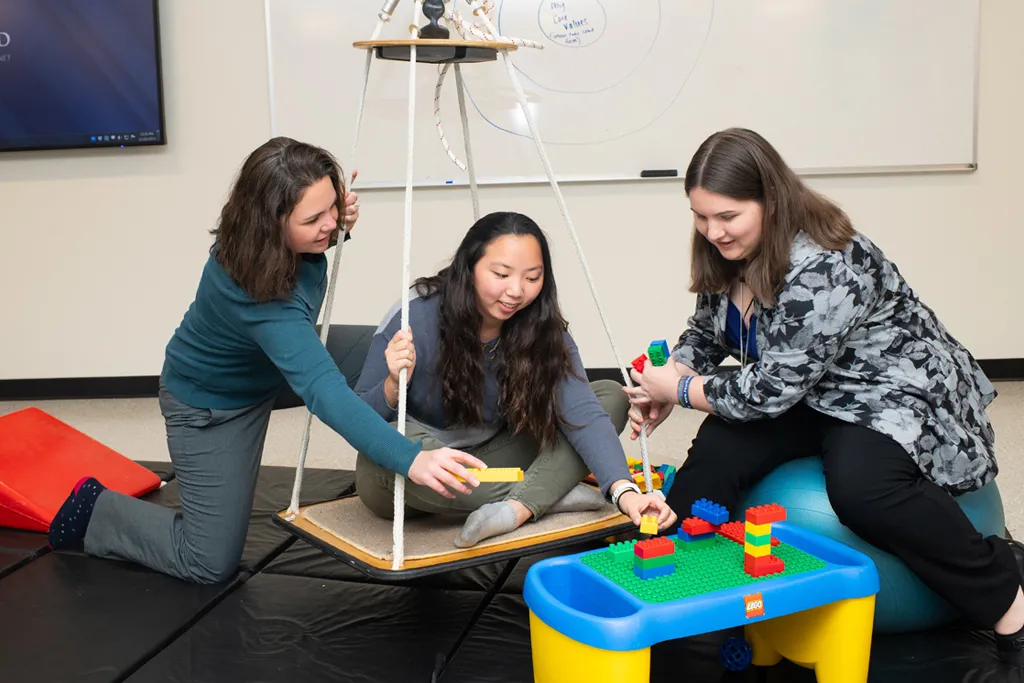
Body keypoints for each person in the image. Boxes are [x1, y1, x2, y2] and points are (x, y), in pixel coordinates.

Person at [625, 127, 1024, 665]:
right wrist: (672, 379)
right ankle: (671, 563)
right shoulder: (727, 249)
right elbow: (706, 331)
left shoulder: (827, 263)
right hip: (807, 390)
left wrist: (680, 387)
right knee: (721, 446)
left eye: (727, 216)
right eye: (700, 216)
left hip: (889, 390)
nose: (712, 231)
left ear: (770, 200)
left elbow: (766, 393)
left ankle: (1004, 589)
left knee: (863, 489)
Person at [47, 137, 487, 584]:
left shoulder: (276, 242)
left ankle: (409, 421)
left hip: (272, 364)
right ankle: (95, 509)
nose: (330, 224)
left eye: (333, 207)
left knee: (398, 347)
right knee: (207, 561)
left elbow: (320, 239)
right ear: (270, 225)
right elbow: (323, 391)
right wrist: (410, 460)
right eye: (313, 219)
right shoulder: (256, 293)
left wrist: (336, 223)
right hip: (213, 406)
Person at [354, 211, 676, 547]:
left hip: (498, 453)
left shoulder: (541, 326)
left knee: (611, 395)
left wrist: (625, 491)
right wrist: (393, 383)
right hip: (419, 464)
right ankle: (548, 493)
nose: (516, 291)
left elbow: (584, 413)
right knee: (386, 454)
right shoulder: (413, 314)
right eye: (501, 274)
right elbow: (359, 419)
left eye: (532, 277)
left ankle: (517, 507)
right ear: (469, 266)